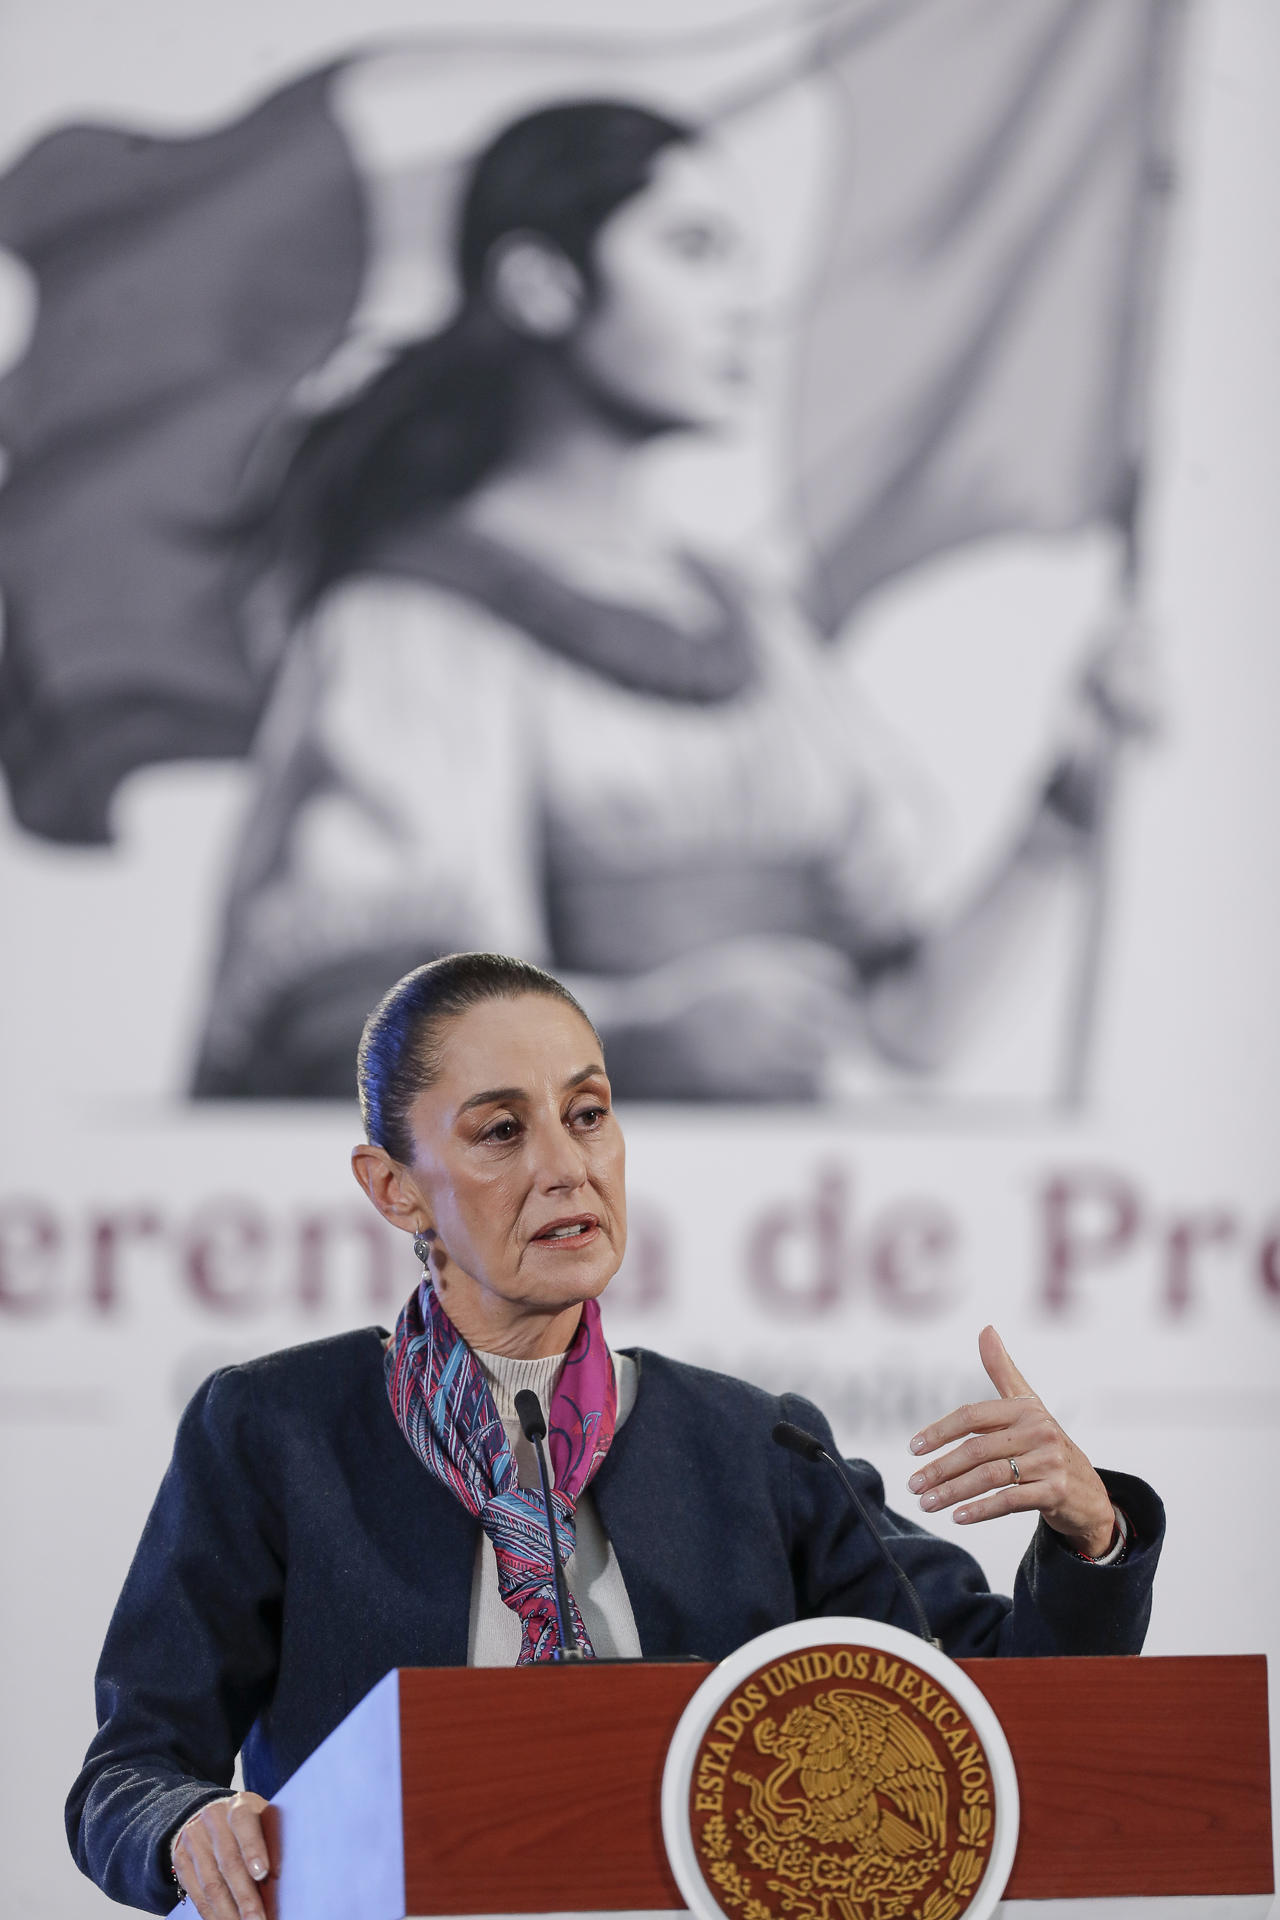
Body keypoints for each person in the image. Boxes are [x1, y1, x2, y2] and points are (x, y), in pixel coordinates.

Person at [70, 952, 1164, 1919]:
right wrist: (187, 1827)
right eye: (502, 1131)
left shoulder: (758, 1447)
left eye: (587, 1114)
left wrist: (1090, 1538)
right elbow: (130, 1773)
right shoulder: (274, 1431)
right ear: (394, 1189)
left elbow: (989, 1724)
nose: (566, 1166)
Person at [191, 98, 1130, 1103]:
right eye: (692, 250)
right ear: (542, 285)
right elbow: (345, 1028)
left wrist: (1065, 810)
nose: (744, 305)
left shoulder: (755, 629)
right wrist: (628, 1042)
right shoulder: (409, 625)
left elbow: (904, 1029)